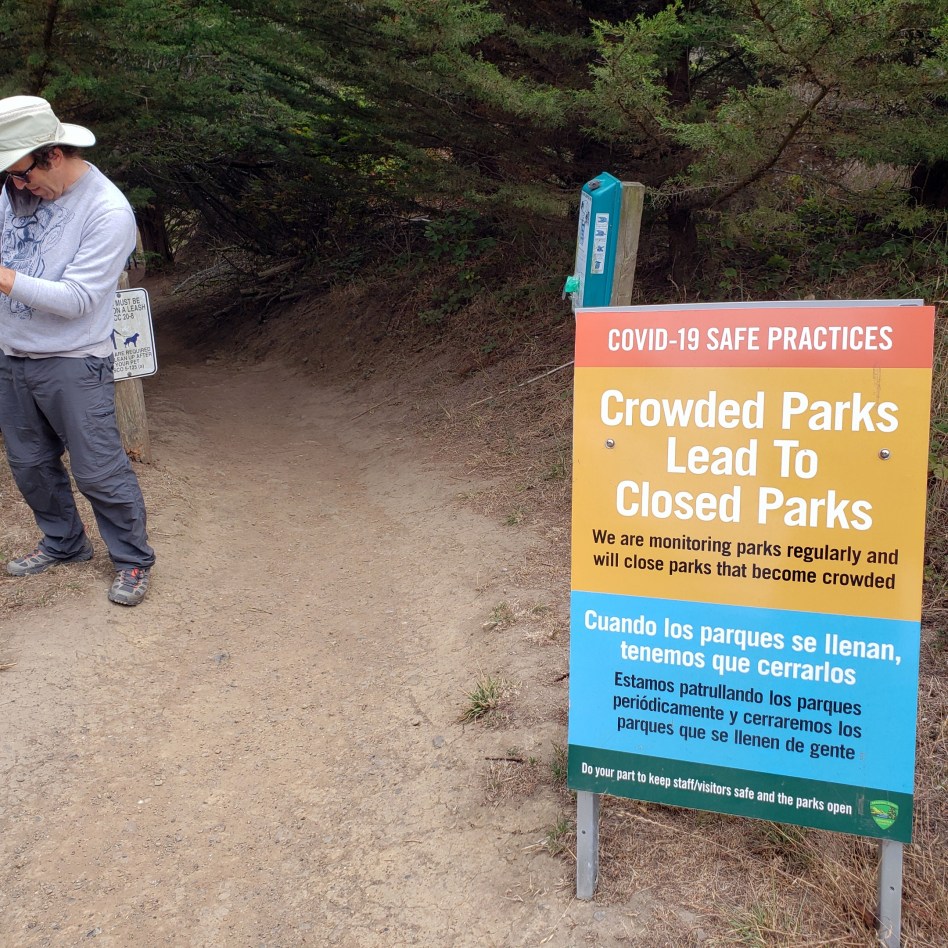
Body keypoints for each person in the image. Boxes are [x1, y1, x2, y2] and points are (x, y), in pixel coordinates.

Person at [0, 95, 155, 606]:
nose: (17, 187)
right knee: (29, 464)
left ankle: (132, 560)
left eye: (21, 174)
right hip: (12, 354)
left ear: (53, 155)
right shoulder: (16, 189)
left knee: (98, 469)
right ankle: (64, 543)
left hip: (74, 359)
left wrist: (3, 279)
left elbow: (78, 300)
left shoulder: (107, 211)